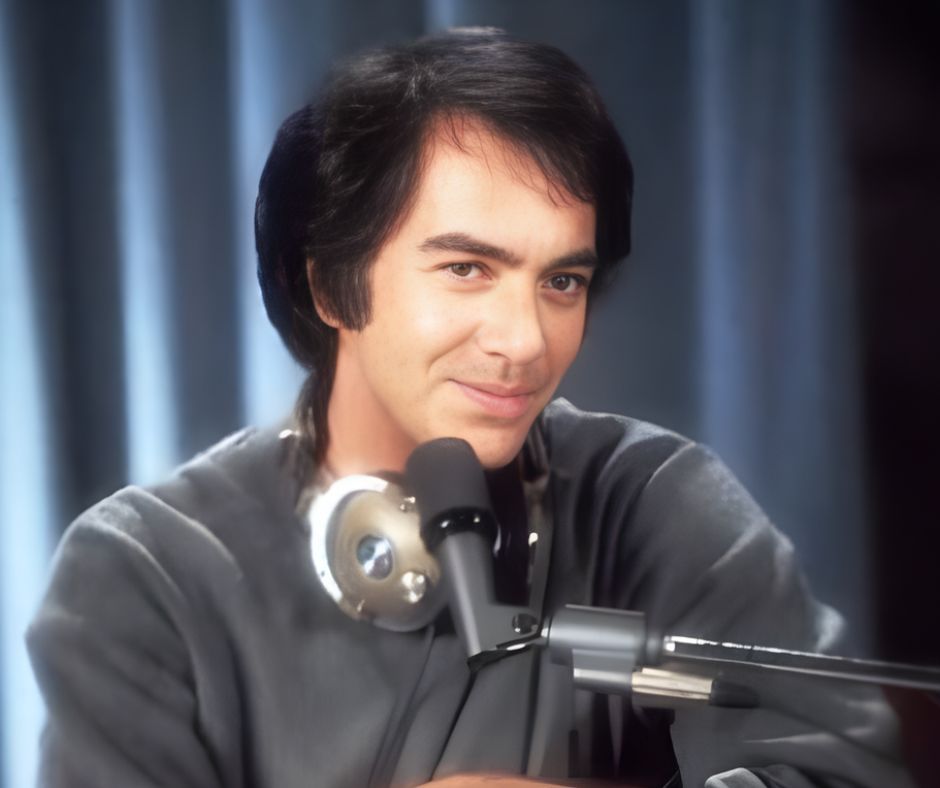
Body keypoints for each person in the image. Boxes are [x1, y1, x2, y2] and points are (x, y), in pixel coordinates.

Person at [27, 28, 912, 788]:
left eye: (561, 281)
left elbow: (844, 770)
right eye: (466, 269)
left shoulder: (648, 500)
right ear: (330, 285)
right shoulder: (143, 572)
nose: (525, 341)